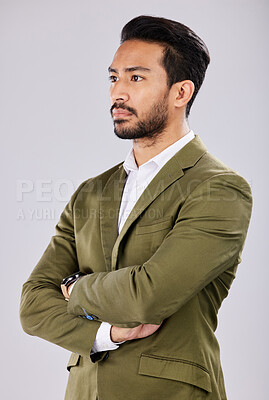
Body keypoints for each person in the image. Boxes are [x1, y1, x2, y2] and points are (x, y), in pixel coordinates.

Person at [20, 15, 252, 400]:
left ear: (181, 93)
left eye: (136, 78)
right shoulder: (90, 193)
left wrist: (76, 288)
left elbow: (149, 296)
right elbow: (32, 303)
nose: (117, 92)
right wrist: (104, 334)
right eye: (114, 78)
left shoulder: (219, 188)